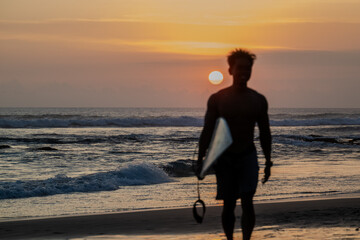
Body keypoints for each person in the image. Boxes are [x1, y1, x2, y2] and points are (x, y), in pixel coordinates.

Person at [196, 49, 272, 240]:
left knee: (248, 201)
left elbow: (265, 133)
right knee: (228, 204)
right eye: (239, 68)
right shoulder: (218, 99)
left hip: (248, 155)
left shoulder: (258, 100)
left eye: (248, 68)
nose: (243, 72)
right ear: (230, 70)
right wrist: (201, 160)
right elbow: (207, 130)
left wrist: (268, 161)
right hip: (225, 159)